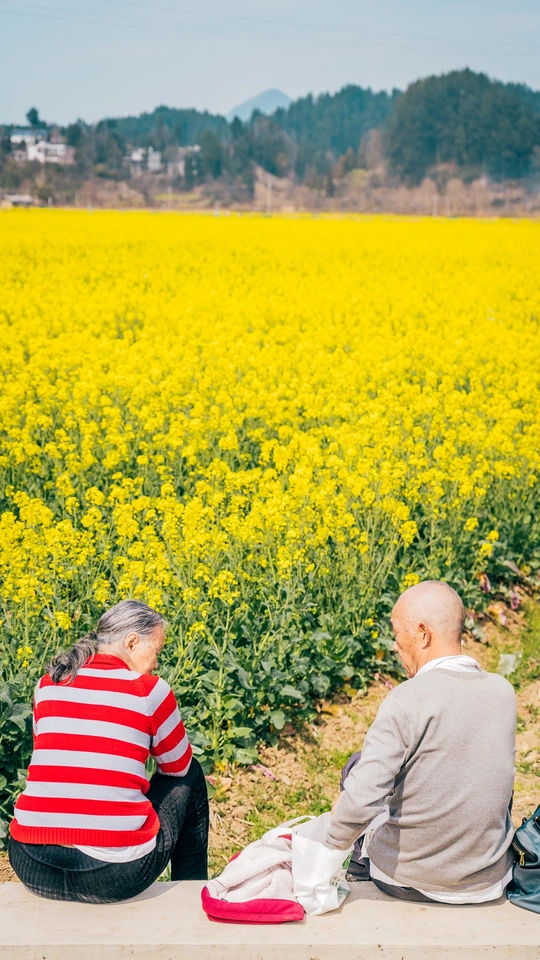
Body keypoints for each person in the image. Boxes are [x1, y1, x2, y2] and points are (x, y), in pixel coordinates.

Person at [326, 580, 516, 904]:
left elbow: (361, 799)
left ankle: (357, 869)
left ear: (423, 634)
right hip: (489, 879)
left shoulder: (406, 699)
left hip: (412, 882)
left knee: (356, 767)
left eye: (398, 635)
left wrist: (325, 849)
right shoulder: (503, 692)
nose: (395, 646)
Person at [8, 599, 209, 903]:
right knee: (191, 774)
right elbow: (177, 767)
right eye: (155, 652)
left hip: (31, 865)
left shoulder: (47, 684)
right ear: (131, 642)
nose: (156, 663)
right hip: (112, 877)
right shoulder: (150, 690)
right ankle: (192, 895)